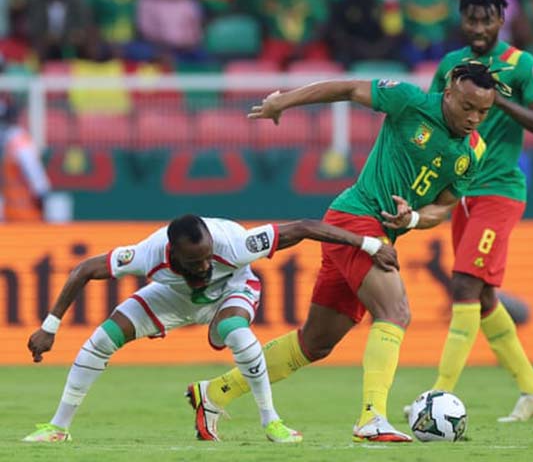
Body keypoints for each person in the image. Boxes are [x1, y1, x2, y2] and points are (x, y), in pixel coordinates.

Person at [186, 61, 499, 443]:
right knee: (395, 311)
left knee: (314, 343)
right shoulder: (410, 101)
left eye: (483, 111)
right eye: (467, 107)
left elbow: (445, 204)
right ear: (449, 93)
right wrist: (284, 101)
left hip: (375, 229)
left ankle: (214, 393)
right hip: (355, 219)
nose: (474, 118)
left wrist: (415, 218)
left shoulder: (474, 151)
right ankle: (372, 417)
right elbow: (347, 89)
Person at [22, 214, 399, 443]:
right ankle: (58, 427)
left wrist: (367, 244)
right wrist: (50, 327)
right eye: (193, 261)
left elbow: (303, 228)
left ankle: (272, 421)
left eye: (206, 258)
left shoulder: (235, 244)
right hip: (172, 296)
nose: (203, 266)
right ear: (172, 253)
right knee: (100, 340)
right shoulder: (149, 254)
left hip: (232, 291)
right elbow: (83, 270)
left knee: (237, 331)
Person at [423, 0, 533, 423]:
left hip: (499, 190)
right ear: (462, 20)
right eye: (471, 20)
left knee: (463, 285)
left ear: (501, 19)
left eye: (487, 20)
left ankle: (437, 397)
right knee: (482, 298)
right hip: (461, 192)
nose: (479, 29)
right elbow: (430, 116)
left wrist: (497, 98)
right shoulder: (451, 66)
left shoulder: (521, 65)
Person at [0, 95, 51, 222]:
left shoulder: (17, 140)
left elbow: (33, 170)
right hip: (14, 211)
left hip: (25, 211)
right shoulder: (9, 140)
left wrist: (41, 193)